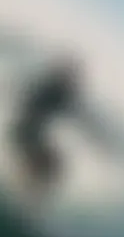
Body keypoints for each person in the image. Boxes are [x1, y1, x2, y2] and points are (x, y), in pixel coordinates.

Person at [9, 56, 81, 199]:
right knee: (50, 165)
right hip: (25, 132)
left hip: (27, 132)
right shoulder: (52, 89)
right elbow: (32, 100)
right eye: (70, 75)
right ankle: (21, 192)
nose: (73, 81)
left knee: (52, 165)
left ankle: (22, 192)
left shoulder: (56, 90)